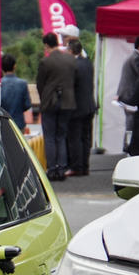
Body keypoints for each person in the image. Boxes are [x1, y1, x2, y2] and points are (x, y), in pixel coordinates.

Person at [34, 32, 75, 181]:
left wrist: (44, 97)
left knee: (50, 137)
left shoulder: (45, 62)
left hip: (49, 102)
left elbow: (40, 84)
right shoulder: (70, 60)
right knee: (61, 136)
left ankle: (52, 170)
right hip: (67, 101)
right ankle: (62, 169)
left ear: (46, 45)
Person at [66, 38, 98, 177]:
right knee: (86, 137)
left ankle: (76, 166)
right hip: (89, 105)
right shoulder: (88, 63)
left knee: (75, 138)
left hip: (77, 107)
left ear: (70, 50)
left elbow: (69, 86)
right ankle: (85, 166)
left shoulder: (73, 65)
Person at [115, 35, 139, 152]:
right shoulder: (136, 57)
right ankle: (128, 145)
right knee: (131, 119)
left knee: (130, 119)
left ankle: (128, 144)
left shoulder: (132, 56)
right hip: (129, 94)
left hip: (125, 92)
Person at [0, 53, 32, 131]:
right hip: (19, 123)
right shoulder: (22, 83)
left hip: (3, 123)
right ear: (14, 66)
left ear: (2, 67)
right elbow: (27, 104)